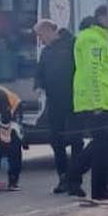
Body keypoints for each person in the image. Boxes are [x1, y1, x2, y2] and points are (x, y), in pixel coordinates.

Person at [63, 4, 108, 201]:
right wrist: (97, 103)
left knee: (104, 144)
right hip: (96, 101)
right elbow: (93, 73)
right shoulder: (92, 39)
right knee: (103, 144)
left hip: (105, 100)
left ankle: (77, 178)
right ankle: (94, 186)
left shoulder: (102, 38)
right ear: (101, 17)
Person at [32, 19, 78, 191]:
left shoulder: (73, 44)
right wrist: (38, 84)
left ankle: (75, 178)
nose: (40, 39)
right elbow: (40, 71)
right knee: (56, 139)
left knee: (76, 139)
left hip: (74, 99)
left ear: (49, 30)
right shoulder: (46, 51)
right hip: (54, 101)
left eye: (40, 35)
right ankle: (63, 177)